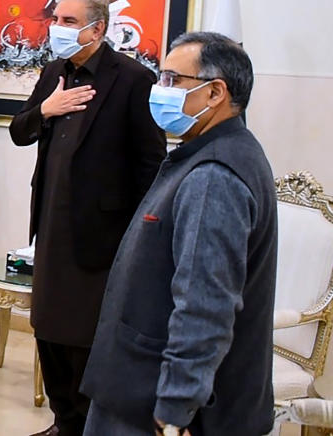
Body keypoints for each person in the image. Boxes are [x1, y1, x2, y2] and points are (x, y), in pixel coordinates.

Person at [81, 32, 277, 435]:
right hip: (137, 383)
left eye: (173, 80)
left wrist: (174, 409)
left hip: (156, 403)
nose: (160, 90)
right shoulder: (215, 153)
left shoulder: (214, 177)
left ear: (214, 93)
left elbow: (204, 306)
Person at [9, 0, 167, 436]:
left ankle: (86, 426)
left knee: (84, 337)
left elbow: (150, 163)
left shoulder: (133, 79)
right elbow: (20, 131)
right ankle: (62, 421)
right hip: (50, 224)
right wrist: (46, 107)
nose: (57, 29)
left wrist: (141, 235)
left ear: (97, 29)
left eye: (69, 22)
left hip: (103, 232)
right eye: (56, 19)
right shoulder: (53, 71)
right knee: (47, 329)